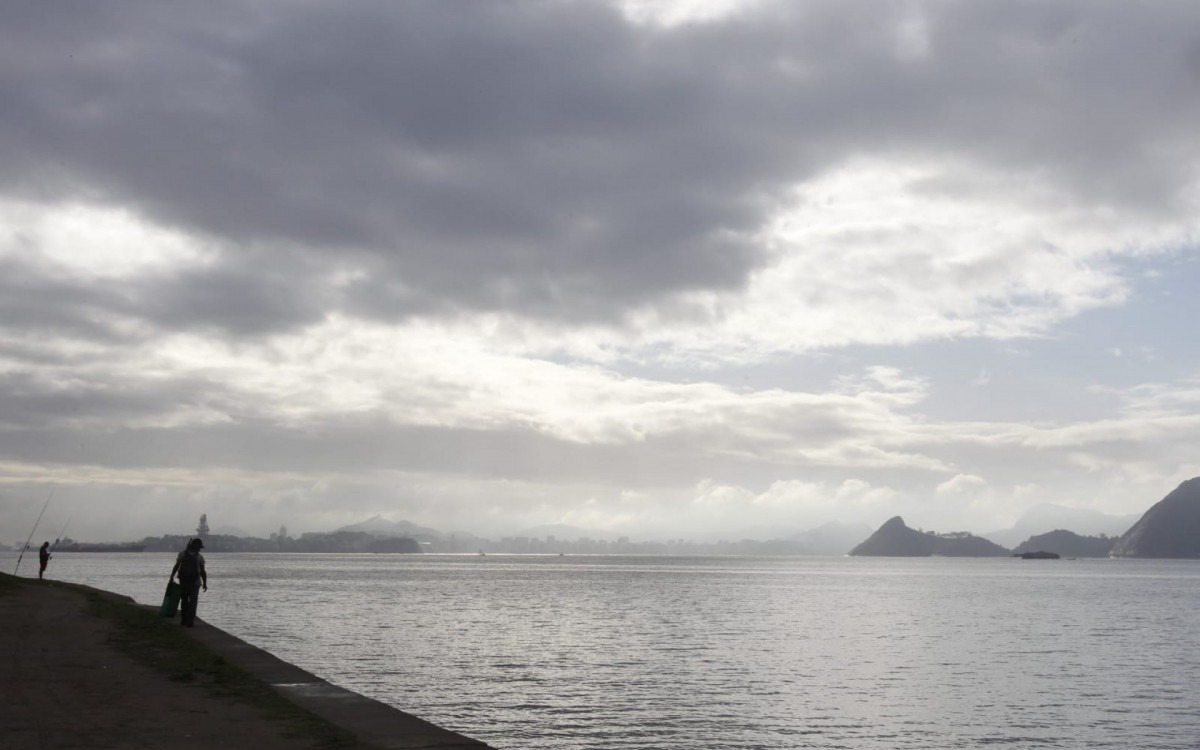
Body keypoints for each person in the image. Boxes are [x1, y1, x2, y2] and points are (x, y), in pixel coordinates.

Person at [169, 538, 208, 627]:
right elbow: (203, 571)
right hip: (195, 583)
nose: (199, 549)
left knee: (184, 601)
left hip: (183, 581)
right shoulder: (200, 557)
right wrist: (205, 583)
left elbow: (176, 566)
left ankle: (184, 619)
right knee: (193, 602)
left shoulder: (182, 554)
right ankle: (190, 621)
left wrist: (171, 577)